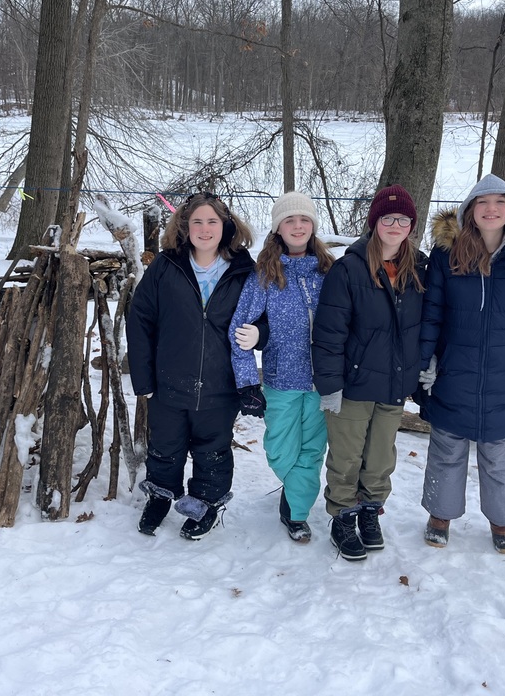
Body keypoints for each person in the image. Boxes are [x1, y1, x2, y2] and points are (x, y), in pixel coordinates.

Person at [415, 173, 505, 555]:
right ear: (469, 211)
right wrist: (420, 368)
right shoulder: (446, 257)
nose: (491, 210)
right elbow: (431, 316)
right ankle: (440, 515)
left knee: (499, 456)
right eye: (482, 202)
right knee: (446, 450)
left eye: (500, 202)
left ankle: (502, 520)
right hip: (453, 374)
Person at [126, 191, 256, 540]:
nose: (204, 228)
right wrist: (143, 376)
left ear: (226, 225)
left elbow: (265, 316)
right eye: (196, 221)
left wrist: (260, 333)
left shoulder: (245, 271)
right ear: (184, 226)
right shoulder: (165, 267)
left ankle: (206, 502)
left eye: (212, 221)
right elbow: (140, 320)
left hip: (221, 383)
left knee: (212, 450)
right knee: (165, 447)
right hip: (169, 380)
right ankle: (160, 497)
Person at [311, 185, 427, 561]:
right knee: (346, 458)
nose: (396, 225)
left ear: (412, 225)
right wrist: (329, 385)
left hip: (394, 383)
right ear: (374, 222)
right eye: (387, 218)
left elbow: (428, 326)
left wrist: (424, 370)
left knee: (380, 458)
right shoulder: (349, 268)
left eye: (403, 219)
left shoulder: (420, 268)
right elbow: (328, 334)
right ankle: (343, 515)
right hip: (353, 386)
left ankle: (369, 510)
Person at [228, 191, 336, 543]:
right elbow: (240, 329)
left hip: (323, 382)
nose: (298, 225)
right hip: (280, 379)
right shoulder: (265, 275)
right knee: (280, 449)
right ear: (278, 228)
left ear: (313, 226)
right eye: (290, 220)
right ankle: (295, 487)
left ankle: (296, 511)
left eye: (304, 219)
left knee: (312, 450)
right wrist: (247, 383)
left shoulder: (329, 271)